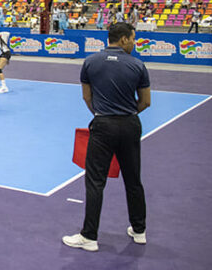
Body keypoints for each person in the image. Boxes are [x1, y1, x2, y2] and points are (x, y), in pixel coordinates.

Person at [63, 22, 151, 252]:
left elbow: (87, 96)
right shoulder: (138, 65)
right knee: (133, 180)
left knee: (95, 182)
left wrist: (103, 116)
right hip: (130, 125)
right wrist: (126, 114)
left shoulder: (91, 62)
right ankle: (139, 230)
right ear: (122, 39)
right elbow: (145, 101)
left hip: (102, 125)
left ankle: (89, 237)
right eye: (132, 38)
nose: (134, 43)